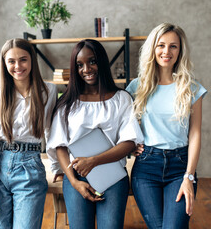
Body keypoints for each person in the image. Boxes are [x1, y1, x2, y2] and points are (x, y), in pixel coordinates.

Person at [46, 39, 143, 229]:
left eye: (92, 61)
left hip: (112, 177)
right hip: (77, 177)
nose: (87, 69)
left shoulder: (121, 99)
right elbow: (60, 146)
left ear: (102, 62)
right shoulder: (66, 104)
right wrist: (74, 182)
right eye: (79, 65)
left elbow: (130, 142)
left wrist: (93, 161)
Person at [126, 23, 207, 229]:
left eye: (173, 46)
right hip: (146, 167)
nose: (166, 51)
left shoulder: (191, 88)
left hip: (180, 166)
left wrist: (189, 176)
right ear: (153, 49)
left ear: (180, 51)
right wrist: (131, 144)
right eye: (161, 45)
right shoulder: (137, 87)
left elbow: (195, 135)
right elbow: (124, 127)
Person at [0, 38, 57, 228]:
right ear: (4, 64)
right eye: (11, 61)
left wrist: (57, 167)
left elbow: (51, 132)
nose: (17, 66)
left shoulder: (48, 91)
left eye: (23, 59)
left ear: (32, 61)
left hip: (30, 168)